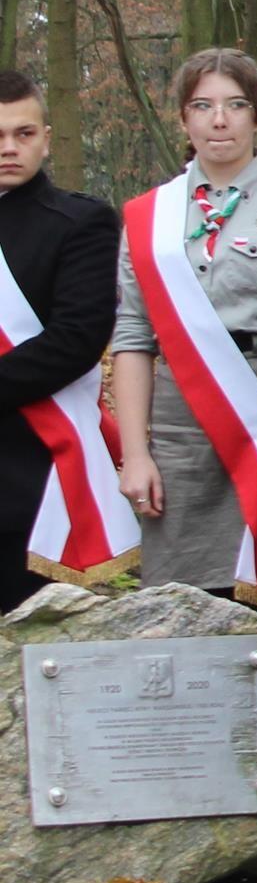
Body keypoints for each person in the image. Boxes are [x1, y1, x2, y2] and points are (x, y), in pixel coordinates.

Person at [112, 50, 257, 596]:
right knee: (182, 592)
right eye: (202, 105)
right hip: (180, 424)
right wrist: (136, 455)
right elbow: (133, 337)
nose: (218, 119)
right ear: (183, 119)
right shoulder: (149, 217)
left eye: (235, 104)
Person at [0, 69, 119, 614]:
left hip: (34, 460)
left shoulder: (82, 221)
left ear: (47, 137)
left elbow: (77, 337)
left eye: (23, 134)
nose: (9, 148)